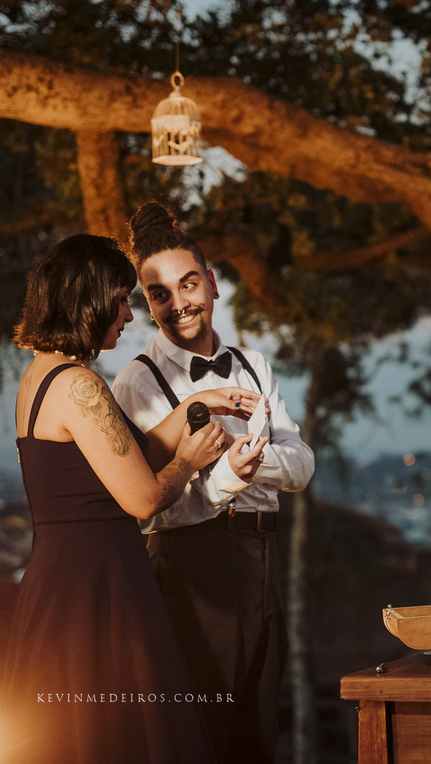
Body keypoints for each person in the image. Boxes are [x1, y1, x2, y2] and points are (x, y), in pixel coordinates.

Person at [0, 233, 261, 764]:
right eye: (121, 300)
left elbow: (122, 453)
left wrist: (195, 405)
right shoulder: (80, 386)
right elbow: (142, 497)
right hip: (98, 585)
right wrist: (190, 460)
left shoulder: (41, 375)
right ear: (90, 299)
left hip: (61, 577)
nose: (128, 315)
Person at [112, 202, 315, 764]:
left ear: (214, 284)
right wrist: (228, 476)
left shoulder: (254, 364)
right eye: (160, 294)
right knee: (203, 733)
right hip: (193, 569)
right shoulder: (137, 380)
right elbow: (149, 509)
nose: (179, 304)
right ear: (146, 304)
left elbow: (300, 466)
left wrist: (240, 461)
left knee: (257, 731)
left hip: (263, 555)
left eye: (189, 283)